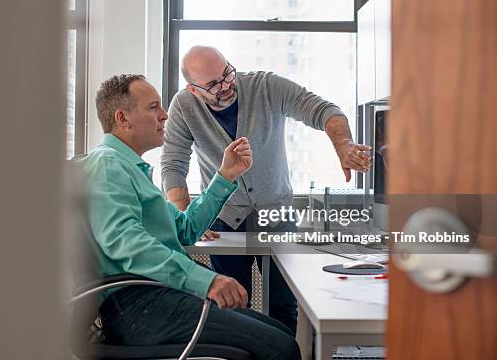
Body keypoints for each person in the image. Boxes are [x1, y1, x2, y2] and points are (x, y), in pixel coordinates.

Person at [81, 73, 301, 360]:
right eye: (153, 107)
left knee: (281, 333)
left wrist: (225, 175)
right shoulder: (107, 165)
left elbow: (185, 229)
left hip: (156, 298)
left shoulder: (130, 169)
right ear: (123, 119)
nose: (165, 115)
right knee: (280, 347)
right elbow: (126, 244)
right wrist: (206, 281)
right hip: (141, 306)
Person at [161, 46, 372, 334]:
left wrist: (344, 145)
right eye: (213, 85)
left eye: (227, 74)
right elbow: (173, 165)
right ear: (194, 90)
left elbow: (324, 110)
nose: (225, 87)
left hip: (276, 215)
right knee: (233, 302)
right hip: (224, 219)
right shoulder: (184, 106)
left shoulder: (266, 86)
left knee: (284, 302)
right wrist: (186, 215)